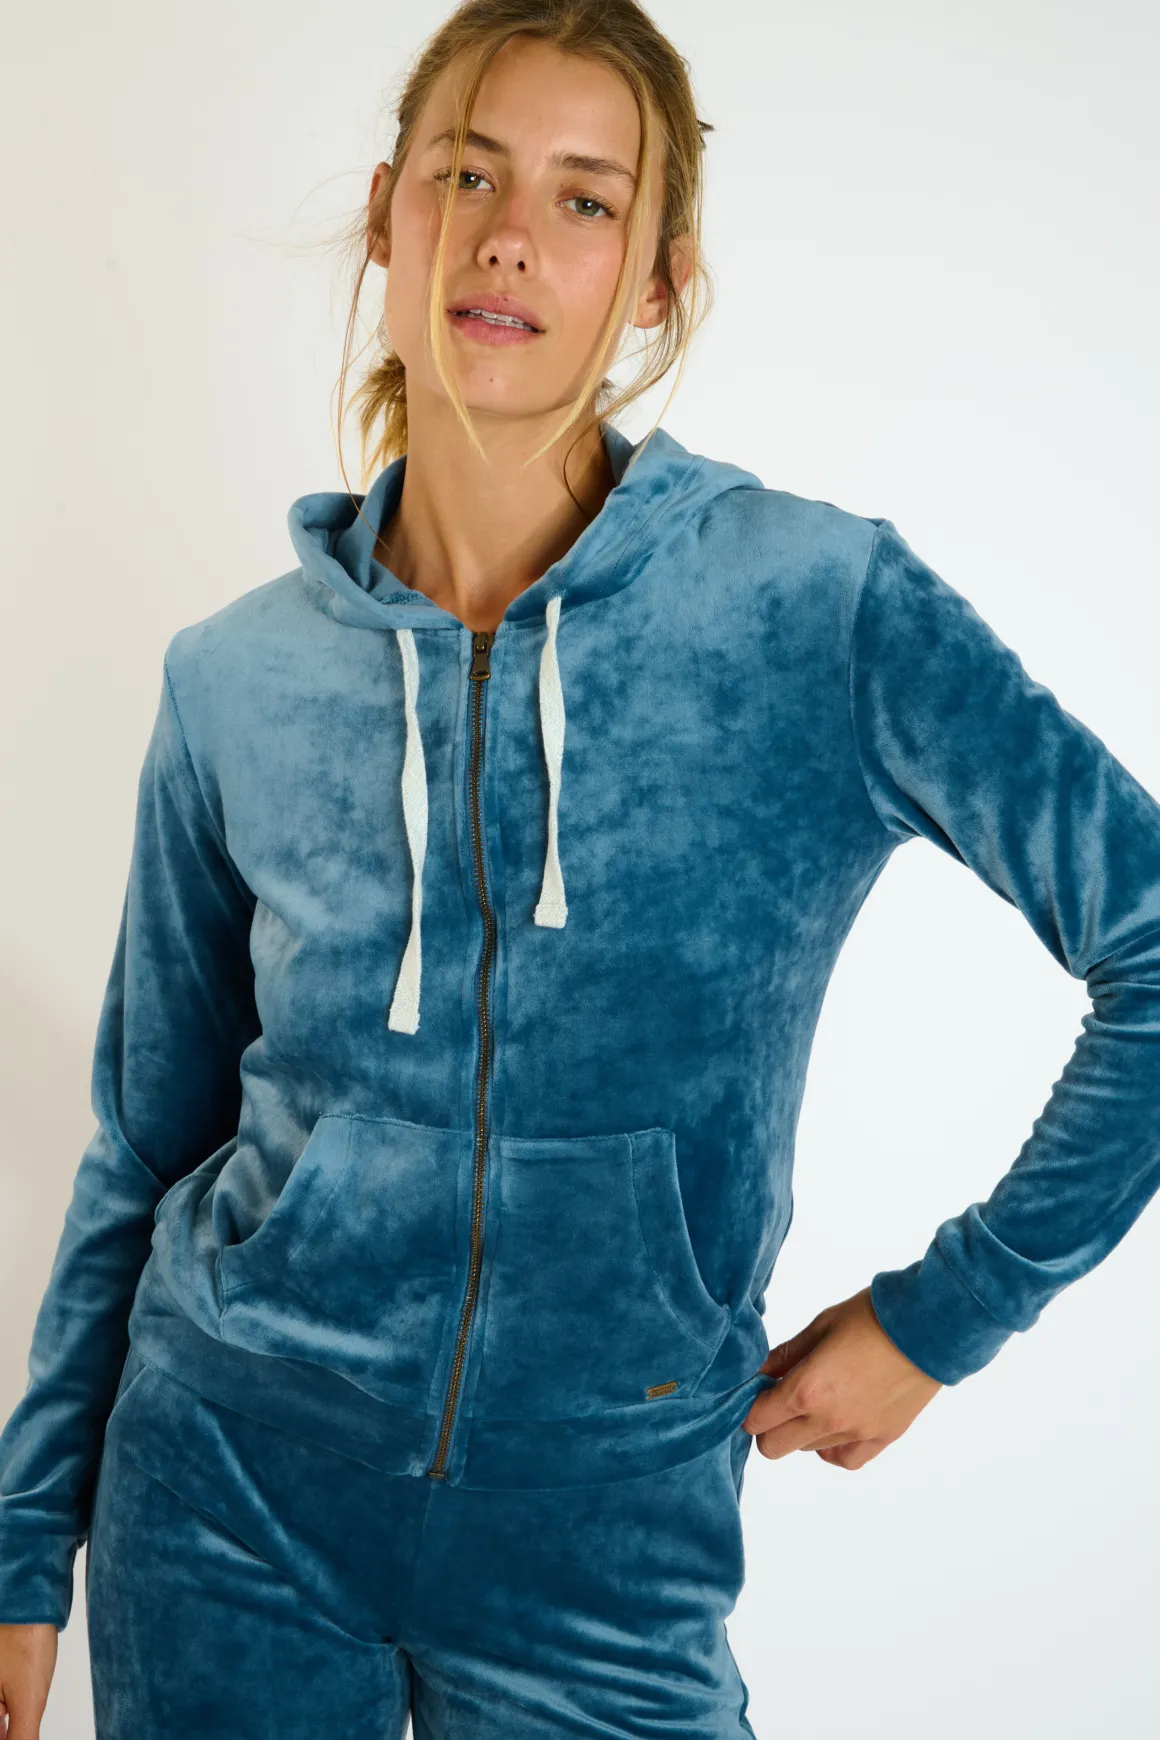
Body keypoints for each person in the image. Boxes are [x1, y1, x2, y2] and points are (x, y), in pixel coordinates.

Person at [3, 0, 1160, 1734]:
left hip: (608, 1545)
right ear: (388, 215)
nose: (510, 237)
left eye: (586, 198)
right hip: (227, 1498)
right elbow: (146, 1141)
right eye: (467, 175)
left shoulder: (816, 608)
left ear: (661, 281)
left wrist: (949, 1314)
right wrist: (27, 1540)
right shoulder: (235, 676)